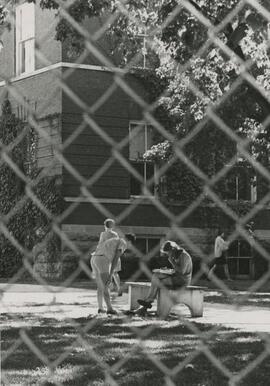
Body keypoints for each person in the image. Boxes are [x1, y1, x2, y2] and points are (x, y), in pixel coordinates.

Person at [136, 240, 193, 311]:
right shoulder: (176, 255)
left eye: (168, 253)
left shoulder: (184, 256)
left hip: (182, 280)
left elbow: (182, 271)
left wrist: (172, 262)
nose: (168, 255)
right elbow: (176, 270)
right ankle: (148, 301)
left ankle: (148, 303)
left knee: (158, 281)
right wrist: (166, 271)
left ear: (173, 249)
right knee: (155, 275)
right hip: (175, 277)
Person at [91, 233, 136, 315]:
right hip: (102, 259)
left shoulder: (115, 240)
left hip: (94, 258)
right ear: (130, 241)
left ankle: (100, 308)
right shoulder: (123, 243)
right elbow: (116, 258)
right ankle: (109, 309)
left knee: (100, 286)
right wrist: (111, 273)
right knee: (106, 285)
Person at [97, 218, 122, 296]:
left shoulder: (103, 234)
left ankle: (109, 289)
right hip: (115, 255)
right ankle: (119, 288)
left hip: (107, 256)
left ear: (105, 225)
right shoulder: (115, 234)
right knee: (115, 273)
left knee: (106, 273)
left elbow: (100, 245)